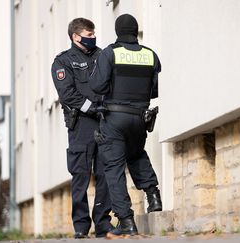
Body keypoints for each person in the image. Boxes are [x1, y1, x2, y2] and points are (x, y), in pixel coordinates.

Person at [88, 13, 162, 236]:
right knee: (137, 154)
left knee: (114, 168)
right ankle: (154, 196)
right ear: (135, 30)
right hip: (140, 118)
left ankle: (127, 221)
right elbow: (155, 90)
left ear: (118, 31)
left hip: (114, 118)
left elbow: (97, 86)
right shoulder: (151, 55)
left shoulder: (110, 53)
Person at [51, 17, 113, 238]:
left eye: (93, 34)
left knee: (106, 172)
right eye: (88, 35)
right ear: (75, 36)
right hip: (81, 125)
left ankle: (103, 223)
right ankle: (80, 225)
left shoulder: (103, 55)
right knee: (80, 175)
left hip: (105, 121)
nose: (92, 38)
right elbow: (67, 93)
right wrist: (92, 107)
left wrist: (105, 108)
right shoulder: (63, 62)